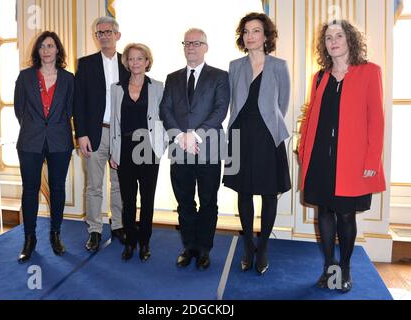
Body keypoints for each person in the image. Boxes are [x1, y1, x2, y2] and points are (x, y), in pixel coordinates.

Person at [298, 19, 386, 292]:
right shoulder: (320, 77)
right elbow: (312, 116)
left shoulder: (370, 72)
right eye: (328, 38)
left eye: (338, 36)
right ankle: (329, 267)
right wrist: (303, 150)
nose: (333, 41)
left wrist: (372, 160)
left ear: (350, 40)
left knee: (346, 216)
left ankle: (345, 269)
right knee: (323, 212)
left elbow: (377, 119)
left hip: (352, 161)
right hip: (321, 159)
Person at [223, 12, 291, 275]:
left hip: (267, 137)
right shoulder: (234, 66)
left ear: (266, 36)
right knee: (243, 192)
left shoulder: (279, 65)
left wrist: (267, 125)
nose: (250, 36)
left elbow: (282, 105)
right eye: (246, 31)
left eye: (256, 31)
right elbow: (232, 101)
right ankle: (248, 246)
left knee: (268, 193)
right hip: (240, 134)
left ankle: (263, 247)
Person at [159, 28, 230, 270]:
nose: (191, 47)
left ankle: (204, 250)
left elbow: (220, 110)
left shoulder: (220, 76)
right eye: (187, 43)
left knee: (208, 201)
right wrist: (181, 136)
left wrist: (195, 136)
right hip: (179, 149)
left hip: (208, 148)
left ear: (205, 47)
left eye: (196, 43)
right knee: (185, 202)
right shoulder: (172, 77)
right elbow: (165, 110)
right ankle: (189, 247)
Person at [14, 31, 74, 262]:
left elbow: (70, 109)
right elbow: (19, 109)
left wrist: (53, 127)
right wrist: (35, 128)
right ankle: (29, 239)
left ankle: (55, 235)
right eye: (42, 47)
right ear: (37, 51)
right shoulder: (25, 77)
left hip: (60, 139)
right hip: (30, 140)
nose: (46, 50)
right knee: (30, 189)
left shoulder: (68, 78)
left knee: (58, 188)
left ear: (57, 49)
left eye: (50, 46)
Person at [73, 16, 130, 251]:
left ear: (117, 35)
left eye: (108, 32)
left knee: (119, 184)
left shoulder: (129, 63)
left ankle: (118, 226)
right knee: (94, 186)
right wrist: (81, 134)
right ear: (95, 37)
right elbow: (79, 102)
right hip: (95, 134)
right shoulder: (85, 64)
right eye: (100, 33)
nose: (104, 36)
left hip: (121, 135)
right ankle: (95, 230)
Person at [109, 43, 166, 262]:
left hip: (149, 148)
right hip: (124, 148)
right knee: (128, 200)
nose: (135, 63)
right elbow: (114, 122)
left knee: (148, 199)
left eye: (140, 58)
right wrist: (114, 152)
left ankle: (145, 242)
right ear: (126, 62)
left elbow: (165, 118)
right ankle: (130, 242)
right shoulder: (116, 88)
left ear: (147, 62)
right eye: (131, 59)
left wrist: (162, 146)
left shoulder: (158, 87)